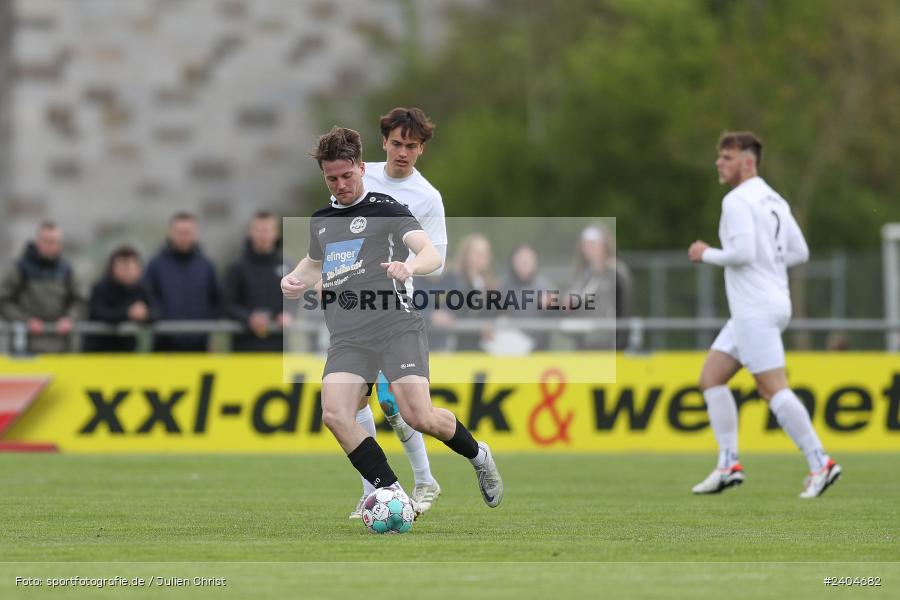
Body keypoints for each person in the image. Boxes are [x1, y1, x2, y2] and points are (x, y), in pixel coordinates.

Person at [281, 126, 503, 516]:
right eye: (331, 178)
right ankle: (391, 493)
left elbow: (431, 254)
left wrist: (409, 265)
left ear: (363, 168)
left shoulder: (387, 209)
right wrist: (295, 279)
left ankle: (479, 454)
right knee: (334, 413)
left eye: (347, 176)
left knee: (419, 416)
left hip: (394, 325)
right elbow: (315, 265)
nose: (340, 185)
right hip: (348, 335)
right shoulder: (321, 221)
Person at [688, 131, 840, 499]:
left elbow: (741, 253)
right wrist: (768, 266)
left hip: (755, 309)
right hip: (764, 304)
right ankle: (728, 464)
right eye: (719, 157)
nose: (719, 164)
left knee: (771, 388)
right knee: (711, 378)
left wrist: (706, 253)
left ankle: (821, 462)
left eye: (727, 157)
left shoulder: (737, 200)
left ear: (748, 161)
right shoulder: (774, 199)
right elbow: (799, 251)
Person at [349, 107, 448, 517]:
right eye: (396, 144)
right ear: (383, 142)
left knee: (394, 403)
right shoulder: (357, 177)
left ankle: (425, 480)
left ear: (421, 148)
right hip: (350, 304)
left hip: (392, 306)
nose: (402, 152)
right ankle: (373, 490)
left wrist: (409, 265)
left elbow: (438, 260)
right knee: (353, 402)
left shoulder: (426, 197)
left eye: (411, 146)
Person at [0, 221, 84, 353]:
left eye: (55, 241)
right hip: (25, 345)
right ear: (37, 241)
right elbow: (4, 300)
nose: (52, 246)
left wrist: (70, 318)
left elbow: (79, 300)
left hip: (61, 346)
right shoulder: (20, 268)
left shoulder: (67, 270)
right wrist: (25, 320)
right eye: (47, 241)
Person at [144, 212, 221, 352]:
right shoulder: (155, 265)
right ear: (170, 233)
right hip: (164, 346)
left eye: (188, 232)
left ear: (195, 234)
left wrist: (209, 333)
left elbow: (216, 301)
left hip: (199, 346)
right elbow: (147, 297)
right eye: (179, 232)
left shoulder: (206, 265)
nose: (184, 237)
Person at [224, 211, 293, 352]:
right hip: (244, 347)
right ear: (250, 233)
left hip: (278, 347)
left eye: (267, 230)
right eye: (259, 230)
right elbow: (226, 304)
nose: (263, 235)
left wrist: (288, 313)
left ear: (276, 233)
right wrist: (249, 318)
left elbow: (295, 299)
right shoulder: (237, 267)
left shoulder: (287, 266)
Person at [567, 224, 631, 351]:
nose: (588, 250)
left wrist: (621, 344)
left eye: (593, 245)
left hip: (608, 344)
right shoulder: (582, 275)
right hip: (584, 344)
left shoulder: (617, 272)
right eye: (585, 245)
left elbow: (625, 309)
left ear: (604, 245)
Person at [432, 233, 498, 351]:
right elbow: (448, 309)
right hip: (454, 346)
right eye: (477, 253)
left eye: (485, 254)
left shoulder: (491, 284)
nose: (481, 257)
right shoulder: (452, 278)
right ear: (466, 254)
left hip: (480, 347)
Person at [84, 246, 156, 352]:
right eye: (123, 267)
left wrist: (145, 315)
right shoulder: (100, 288)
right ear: (112, 268)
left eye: (131, 267)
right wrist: (128, 314)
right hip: (98, 353)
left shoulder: (142, 288)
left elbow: (157, 311)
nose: (127, 272)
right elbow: (99, 313)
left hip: (127, 353)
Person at [499, 243, 554, 351]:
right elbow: (492, 314)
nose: (524, 264)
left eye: (527, 260)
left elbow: (557, 316)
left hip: (539, 348)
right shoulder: (501, 286)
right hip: (510, 349)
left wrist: (550, 307)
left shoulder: (546, 286)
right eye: (520, 260)